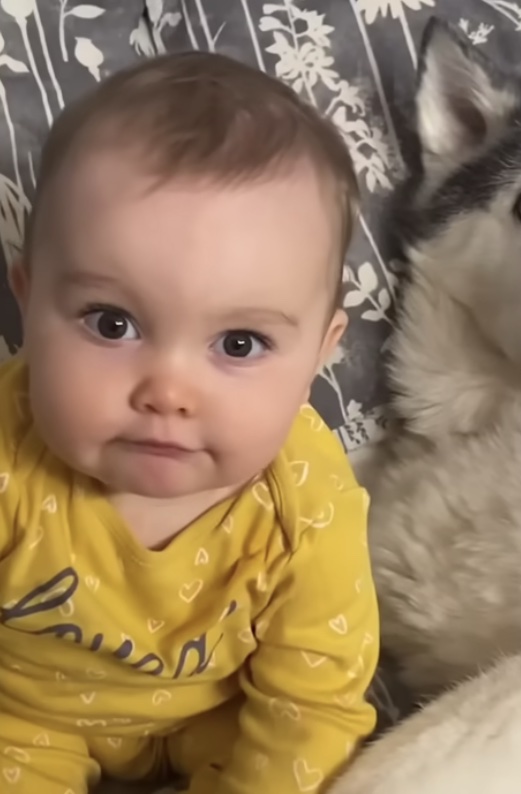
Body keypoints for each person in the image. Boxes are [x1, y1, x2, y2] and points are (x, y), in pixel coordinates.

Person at [0, 50, 379, 794]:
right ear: (29, 299)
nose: (168, 391)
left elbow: (312, 703)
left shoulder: (305, 501)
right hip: (22, 719)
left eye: (239, 344)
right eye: (111, 323)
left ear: (319, 354)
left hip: (226, 715)